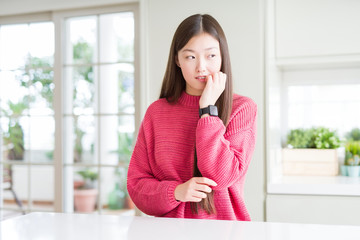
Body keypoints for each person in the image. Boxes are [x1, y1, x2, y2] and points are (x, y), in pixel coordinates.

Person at [127, 14, 257, 221]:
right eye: (190, 57)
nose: (201, 67)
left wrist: (207, 110)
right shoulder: (157, 112)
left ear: (222, 57)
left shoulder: (241, 108)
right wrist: (176, 192)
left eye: (211, 56)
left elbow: (221, 177)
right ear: (177, 60)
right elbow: (137, 186)